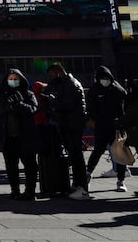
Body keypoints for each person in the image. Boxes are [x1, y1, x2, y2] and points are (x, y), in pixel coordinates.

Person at [0, 68, 39, 201]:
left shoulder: (27, 93)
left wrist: (19, 104)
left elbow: (33, 109)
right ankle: (15, 190)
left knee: (30, 165)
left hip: (25, 135)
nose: (13, 81)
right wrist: (8, 105)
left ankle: (30, 191)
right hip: (7, 136)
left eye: (16, 79)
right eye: (11, 78)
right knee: (11, 166)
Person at [43, 62, 89, 200]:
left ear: (58, 72)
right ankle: (78, 185)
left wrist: (52, 100)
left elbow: (67, 105)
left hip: (72, 125)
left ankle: (82, 188)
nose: (51, 78)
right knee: (74, 156)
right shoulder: (65, 83)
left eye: (52, 75)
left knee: (76, 156)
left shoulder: (71, 84)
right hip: (69, 124)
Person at [85, 65, 128, 192]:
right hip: (102, 127)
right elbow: (91, 107)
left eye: (106, 77)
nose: (104, 79)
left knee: (119, 154)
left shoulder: (117, 89)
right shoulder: (94, 90)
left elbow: (124, 105)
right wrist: (97, 119)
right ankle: (88, 174)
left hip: (116, 127)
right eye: (102, 77)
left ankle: (121, 180)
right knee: (97, 152)